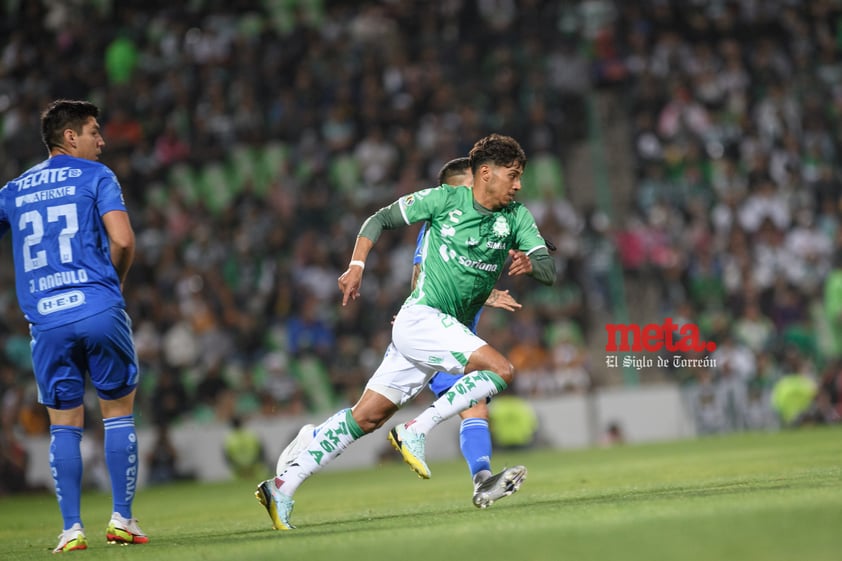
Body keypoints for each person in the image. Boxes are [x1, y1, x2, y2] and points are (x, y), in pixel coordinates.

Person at [256, 133, 556, 531]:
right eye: (513, 175)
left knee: (367, 417)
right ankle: (419, 431)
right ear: (484, 174)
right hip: (423, 320)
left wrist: (530, 264)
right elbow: (380, 221)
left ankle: (282, 485)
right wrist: (357, 266)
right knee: (500, 372)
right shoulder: (444, 204)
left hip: (440, 330)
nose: (518, 184)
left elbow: (548, 267)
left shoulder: (514, 217)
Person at [0, 99, 148, 552]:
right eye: (93, 132)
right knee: (118, 412)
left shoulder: (14, 189)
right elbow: (122, 239)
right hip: (99, 307)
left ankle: (71, 530)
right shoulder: (97, 177)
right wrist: (114, 286)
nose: (102, 141)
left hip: (46, 321)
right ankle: (122, 519)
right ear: (70, 137)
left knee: (64, 424)